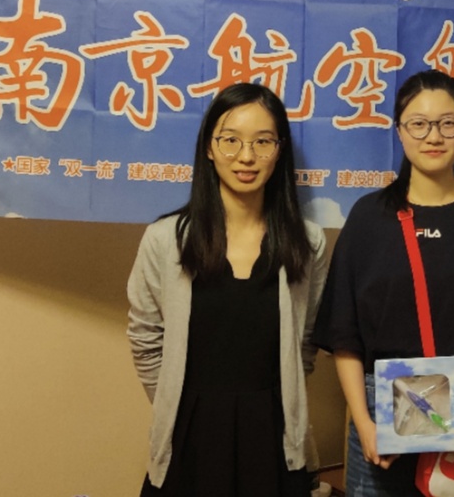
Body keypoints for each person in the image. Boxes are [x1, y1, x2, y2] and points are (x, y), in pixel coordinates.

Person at [312, 69, 454, 496]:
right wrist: (364, 422)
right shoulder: (368, 217)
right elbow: (344, 336)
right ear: (399, 130)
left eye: (448, 123)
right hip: (382, 415)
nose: (434, 136)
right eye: (419, 123)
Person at [127, 83, 328, 497]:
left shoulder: (307, 243)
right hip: (188, 431)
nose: (246, 156)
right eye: (230, 140)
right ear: (208, 147)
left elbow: (306, 340)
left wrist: (287, 400)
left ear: (280, 150)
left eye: (263, 141)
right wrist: (173, 406)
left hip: (275, 434)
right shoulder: (166, 240)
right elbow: (145, 338)